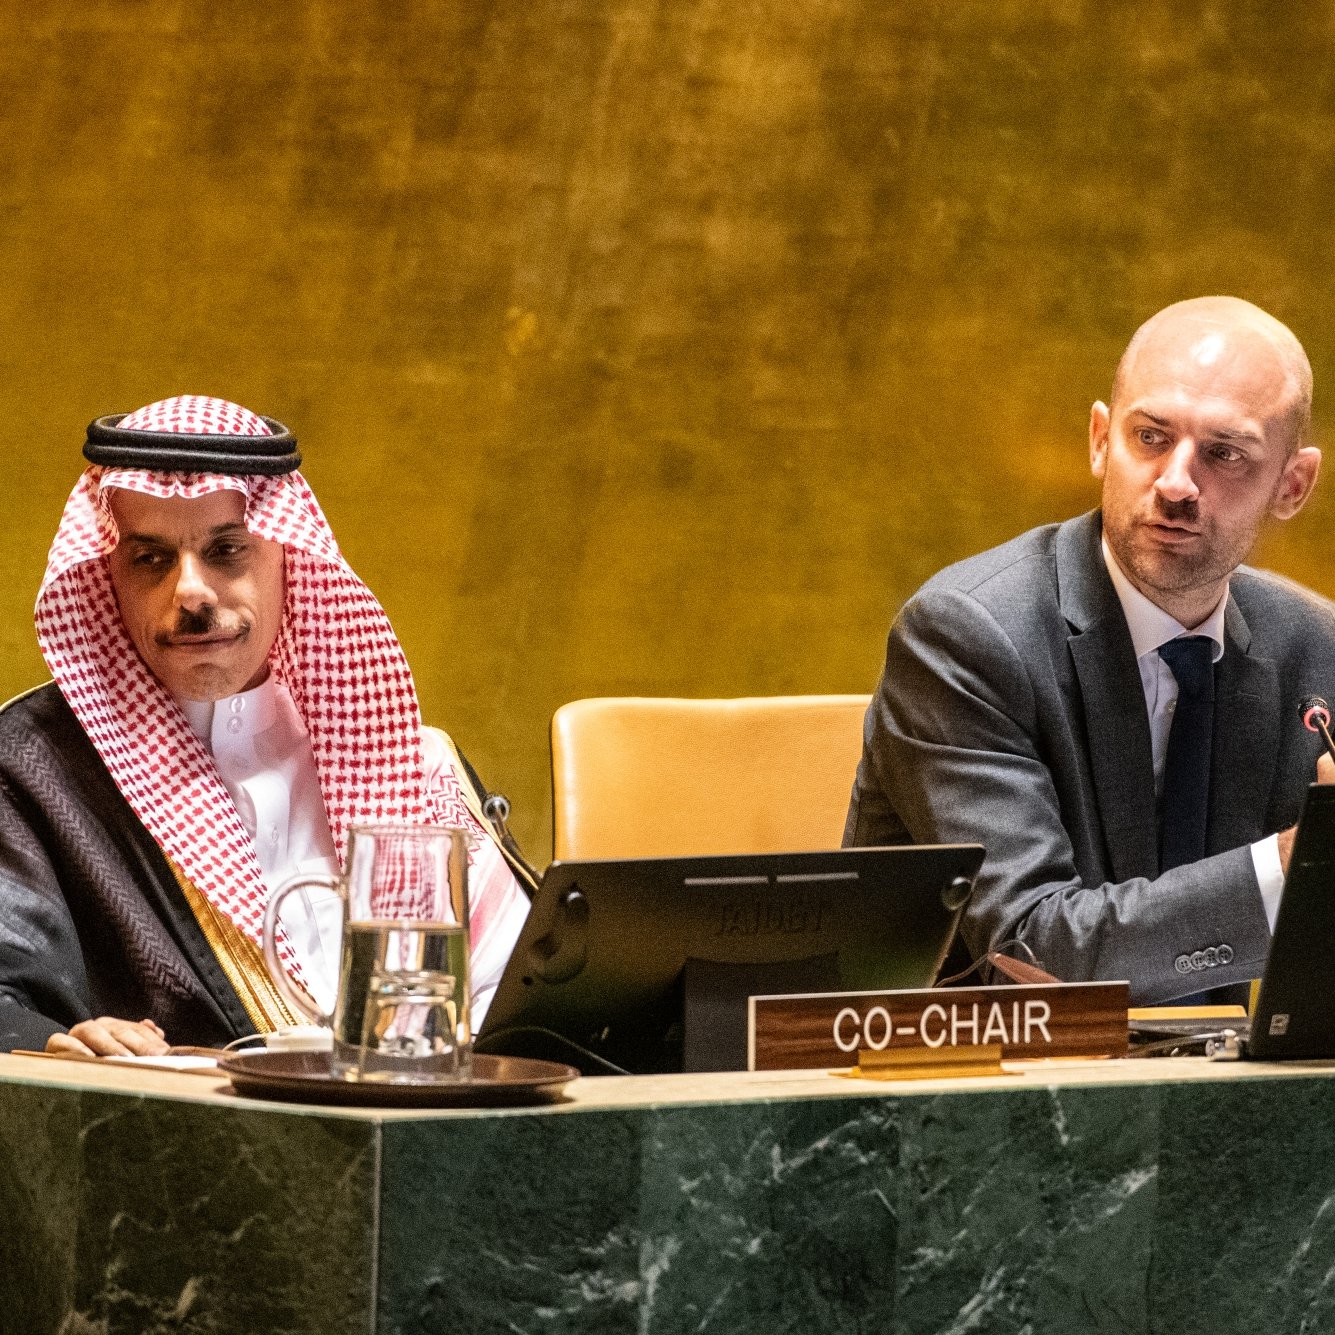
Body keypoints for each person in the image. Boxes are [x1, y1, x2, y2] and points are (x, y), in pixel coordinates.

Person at [0, 395, 533, 1056]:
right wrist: (51, 1041)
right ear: (107, 576)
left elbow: (521, 996)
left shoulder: (406, 760)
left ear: (289, 557)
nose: (191, 592)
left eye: (227, 550)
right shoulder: (35, 767)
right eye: (151, 559)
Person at [845, 296, 1335, 1004]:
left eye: (1223, 454)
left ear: (1292, 484)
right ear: (1100, 439)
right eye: (1149, 436)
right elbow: (1034, 952)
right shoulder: (966, 638)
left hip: (1213, 1095)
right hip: (979, 1090)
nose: (1174, 482)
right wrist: (1297, 869)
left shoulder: (1314, 649)